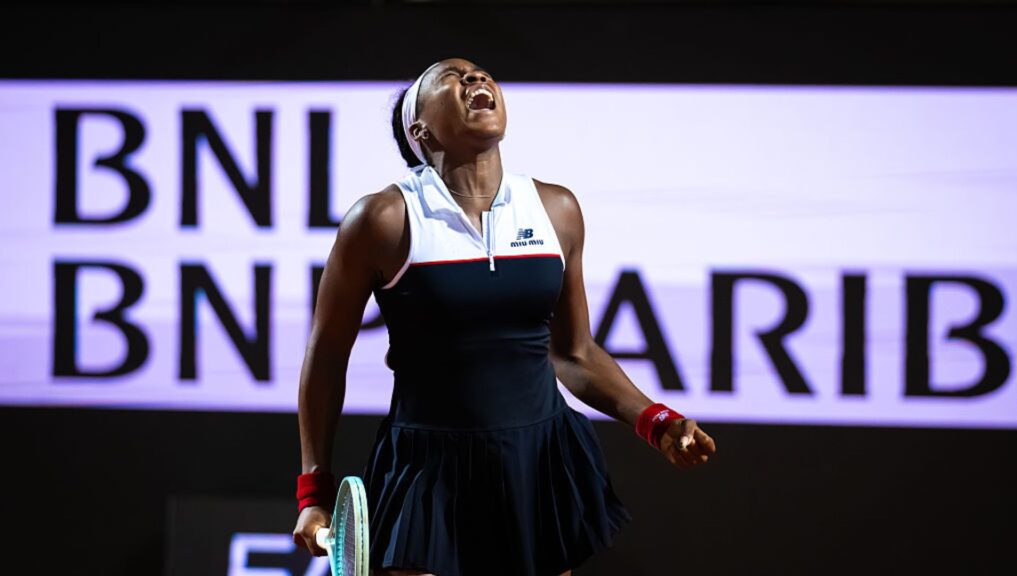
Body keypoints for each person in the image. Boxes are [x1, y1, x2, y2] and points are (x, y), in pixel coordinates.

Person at [292, 58, 716, 576]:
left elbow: (574, 354)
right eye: (450, 76)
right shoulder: (383, 219)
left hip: (536, 461)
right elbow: (327, 357)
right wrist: (313, 490)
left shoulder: (556, 209)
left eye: (478, 72)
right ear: (419, 130)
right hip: (427, 469)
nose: (474, 78)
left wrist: (656, 421)